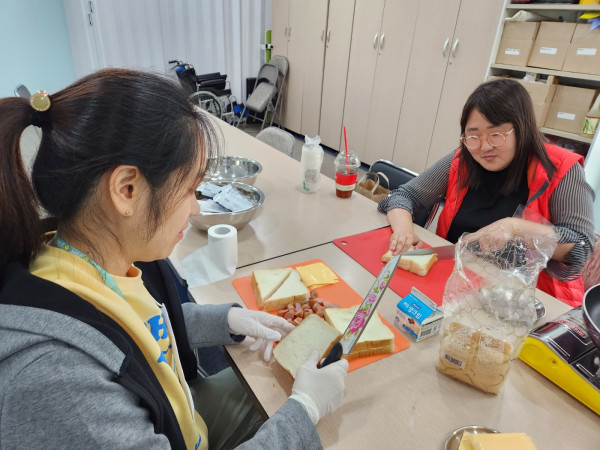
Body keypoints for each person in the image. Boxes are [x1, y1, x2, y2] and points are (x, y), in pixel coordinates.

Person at [0, 69, 349, 449]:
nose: (195, 207)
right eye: (189, 189)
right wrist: (305, 410)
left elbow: (135, 326)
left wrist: (227, 320)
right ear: (126, 190)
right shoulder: (60, 380)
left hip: (178, 418)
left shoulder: (84, 262)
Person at [378, 78, 595, 307]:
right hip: (455, 286)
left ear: (522, 129)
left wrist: (516, 227)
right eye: (473, 136)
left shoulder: (560, 169)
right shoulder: (462, 160)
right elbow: (402, 196)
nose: (484, 147)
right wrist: (403, 231)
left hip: (526, 303)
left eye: (496, 134)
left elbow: (582, 248)